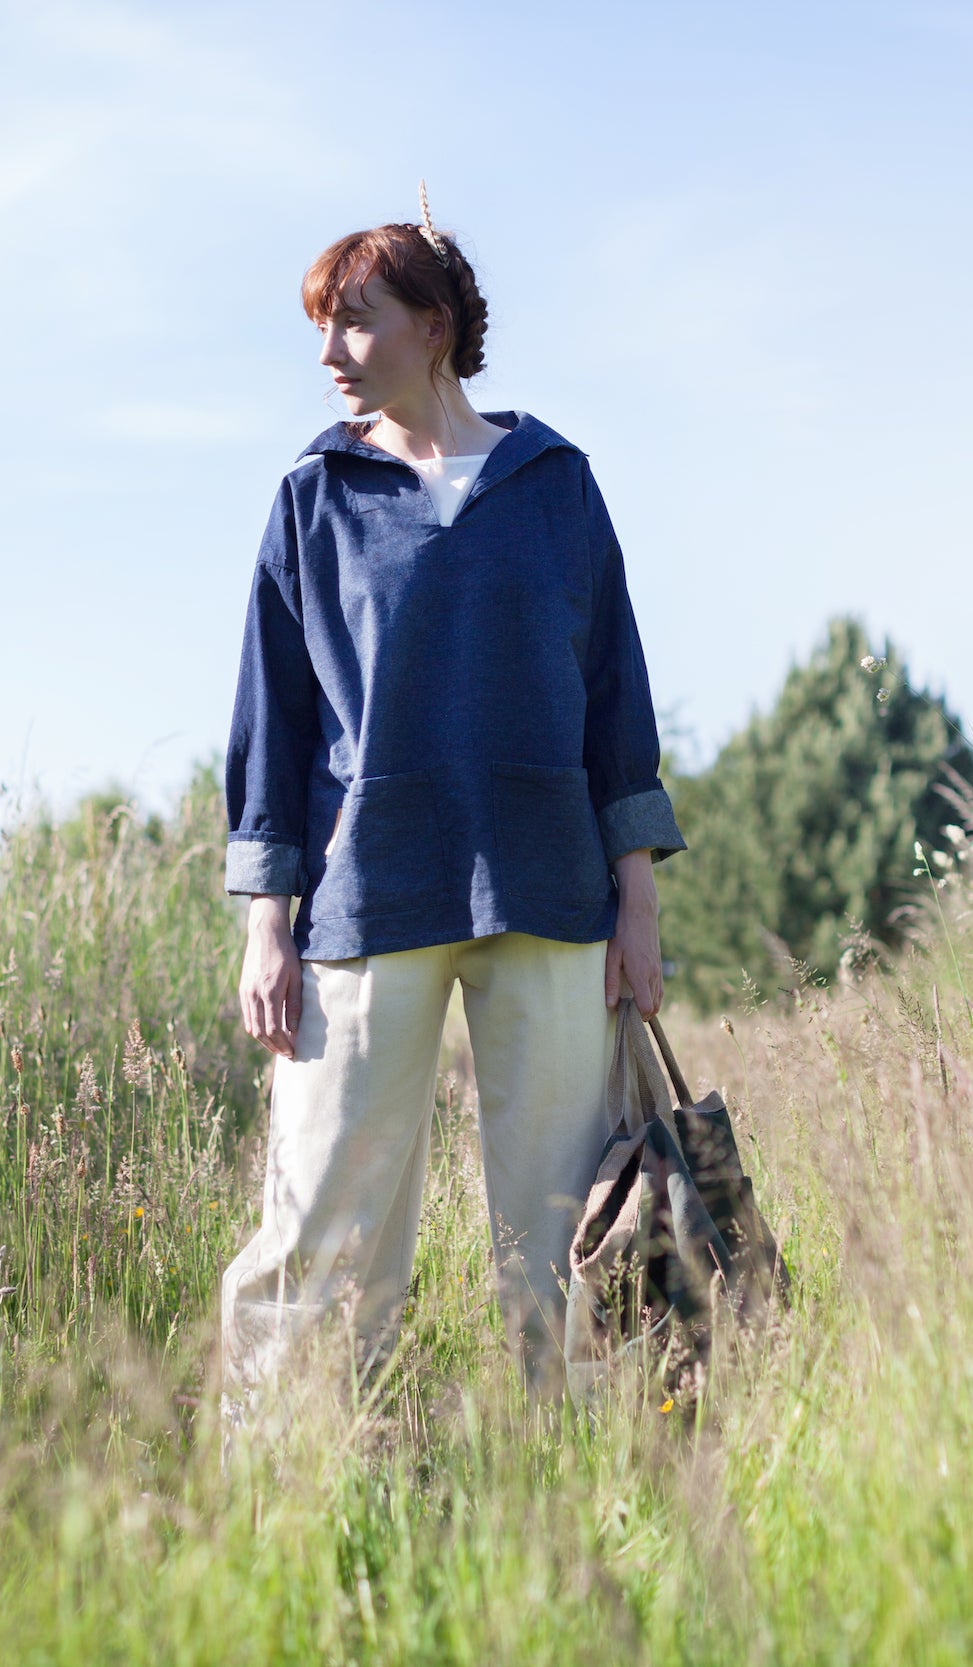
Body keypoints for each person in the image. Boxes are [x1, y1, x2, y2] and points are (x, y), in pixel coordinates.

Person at [218, 192, 685, 1405]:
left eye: (353, 323)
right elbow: (272, 719)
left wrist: (635, 897)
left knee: (565, 1226)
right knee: (323, 1216)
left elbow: (612, 700)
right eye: (321, 327)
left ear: (434, 326)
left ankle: (588, 1466)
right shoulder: (312, 499)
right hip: (368, 890)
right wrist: (265, 918)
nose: (327, 354)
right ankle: (295, 1472)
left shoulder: (553, 486)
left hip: (548, 887)